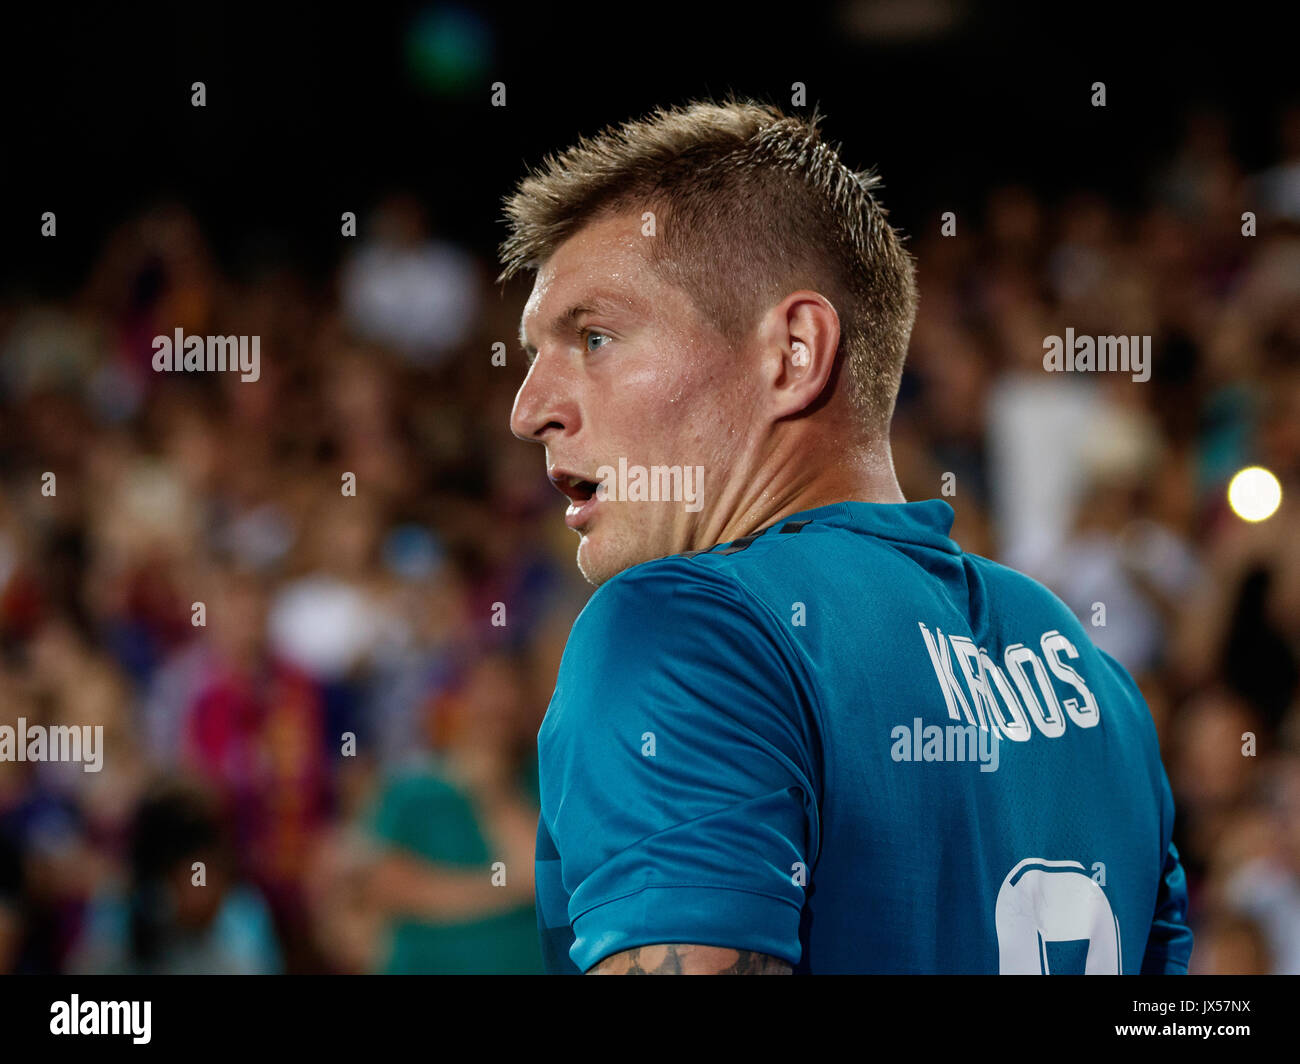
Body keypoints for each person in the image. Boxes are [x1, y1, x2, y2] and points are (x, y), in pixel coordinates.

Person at [500, 97, 1194, 974]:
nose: (529, 411)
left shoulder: (682, 631)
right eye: (532, 354)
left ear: (793, 351)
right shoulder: (1095, 684)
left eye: (594, 337)